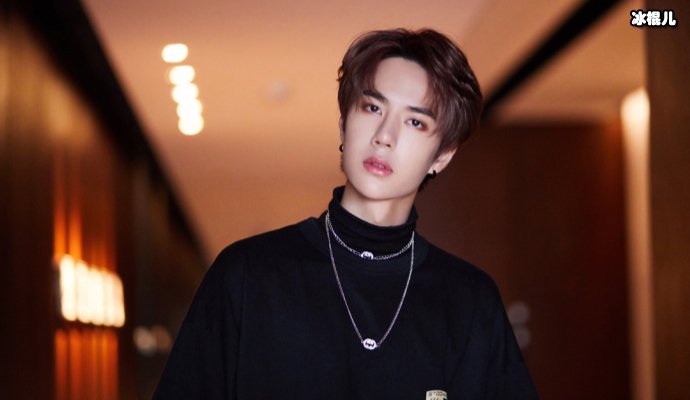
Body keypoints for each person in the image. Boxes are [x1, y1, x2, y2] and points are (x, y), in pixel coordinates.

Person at [154, 28, 538, 399]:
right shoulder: (247, 274)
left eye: (415, 122)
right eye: (372, 107)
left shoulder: (469, 301)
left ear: (442, 156)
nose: (384, 136)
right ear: (343, 124)